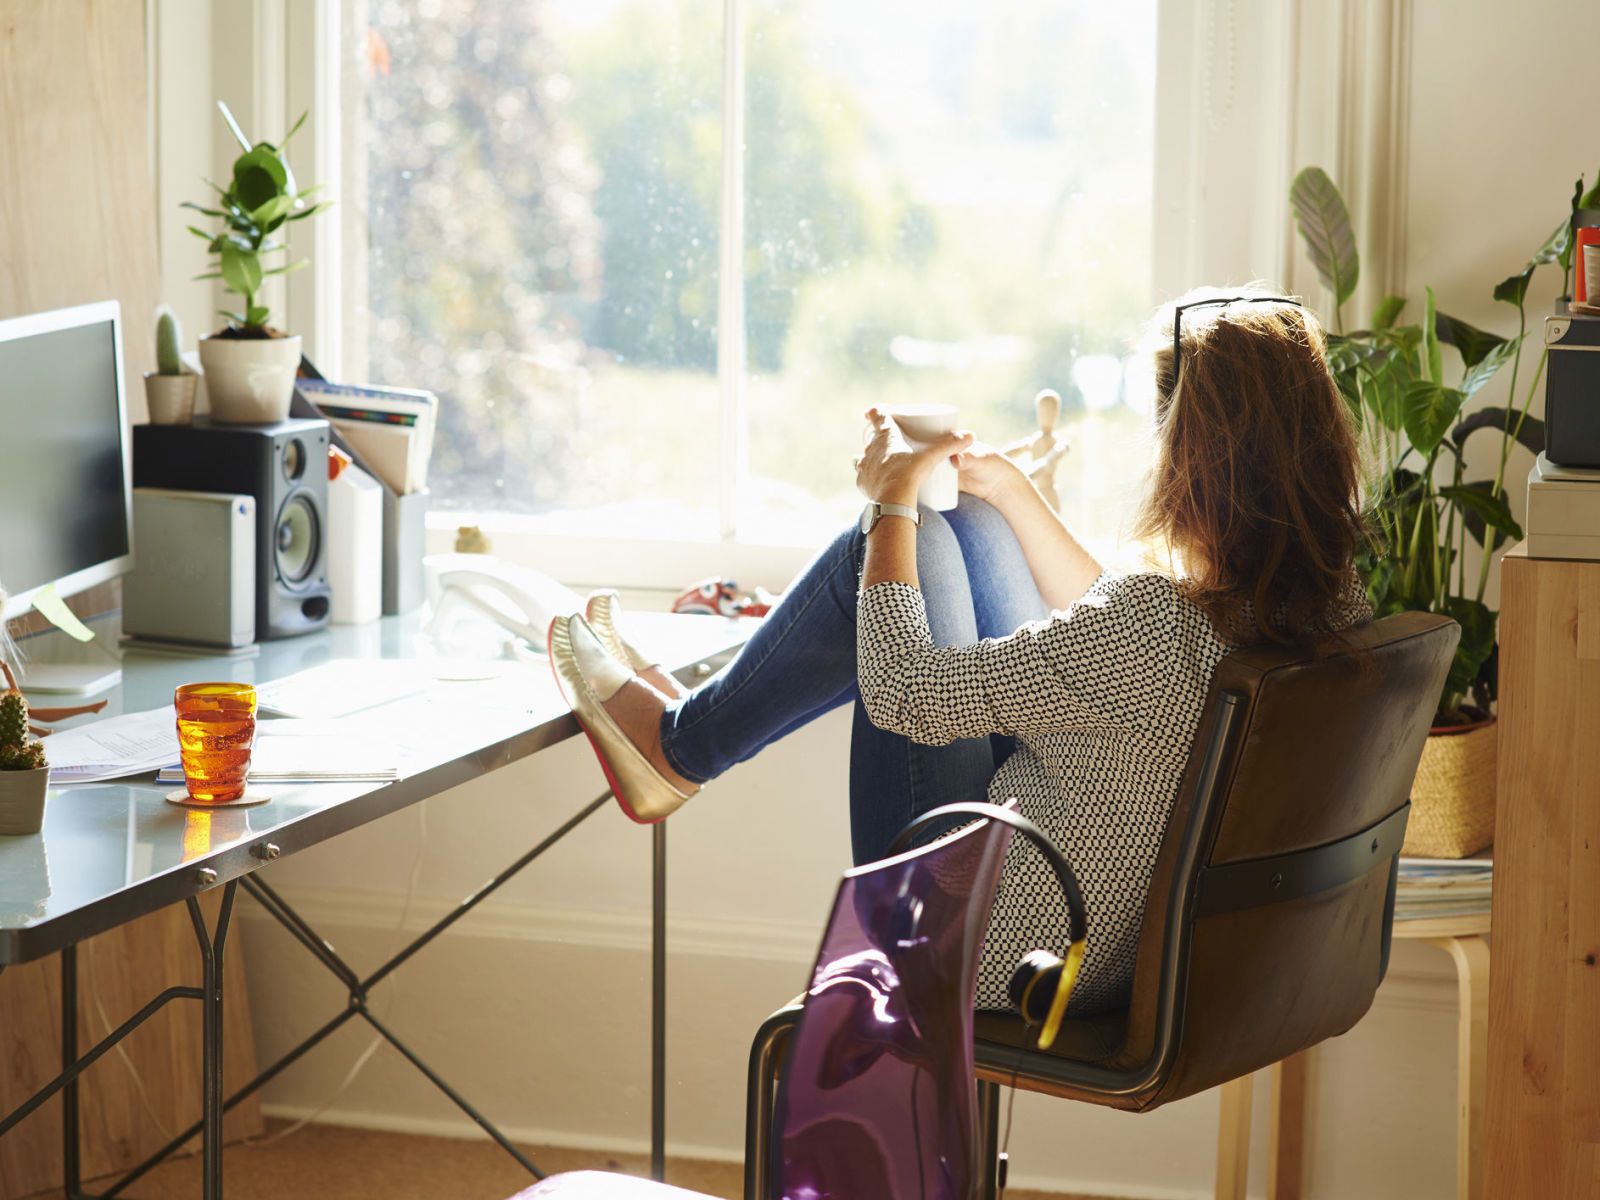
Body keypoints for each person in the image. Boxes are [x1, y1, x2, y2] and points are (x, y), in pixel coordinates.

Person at [549, 289, 1371, 1017]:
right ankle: (690, 729)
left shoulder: (1151, 627)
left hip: (976, 952)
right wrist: (1011, 492)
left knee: (882, 546)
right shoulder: (1326, 611)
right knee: (971, 523)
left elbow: (906, 692)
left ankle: (680, 745)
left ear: (1189, 459)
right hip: (1110, 952)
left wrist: (891, 502)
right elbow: (1110, 640)